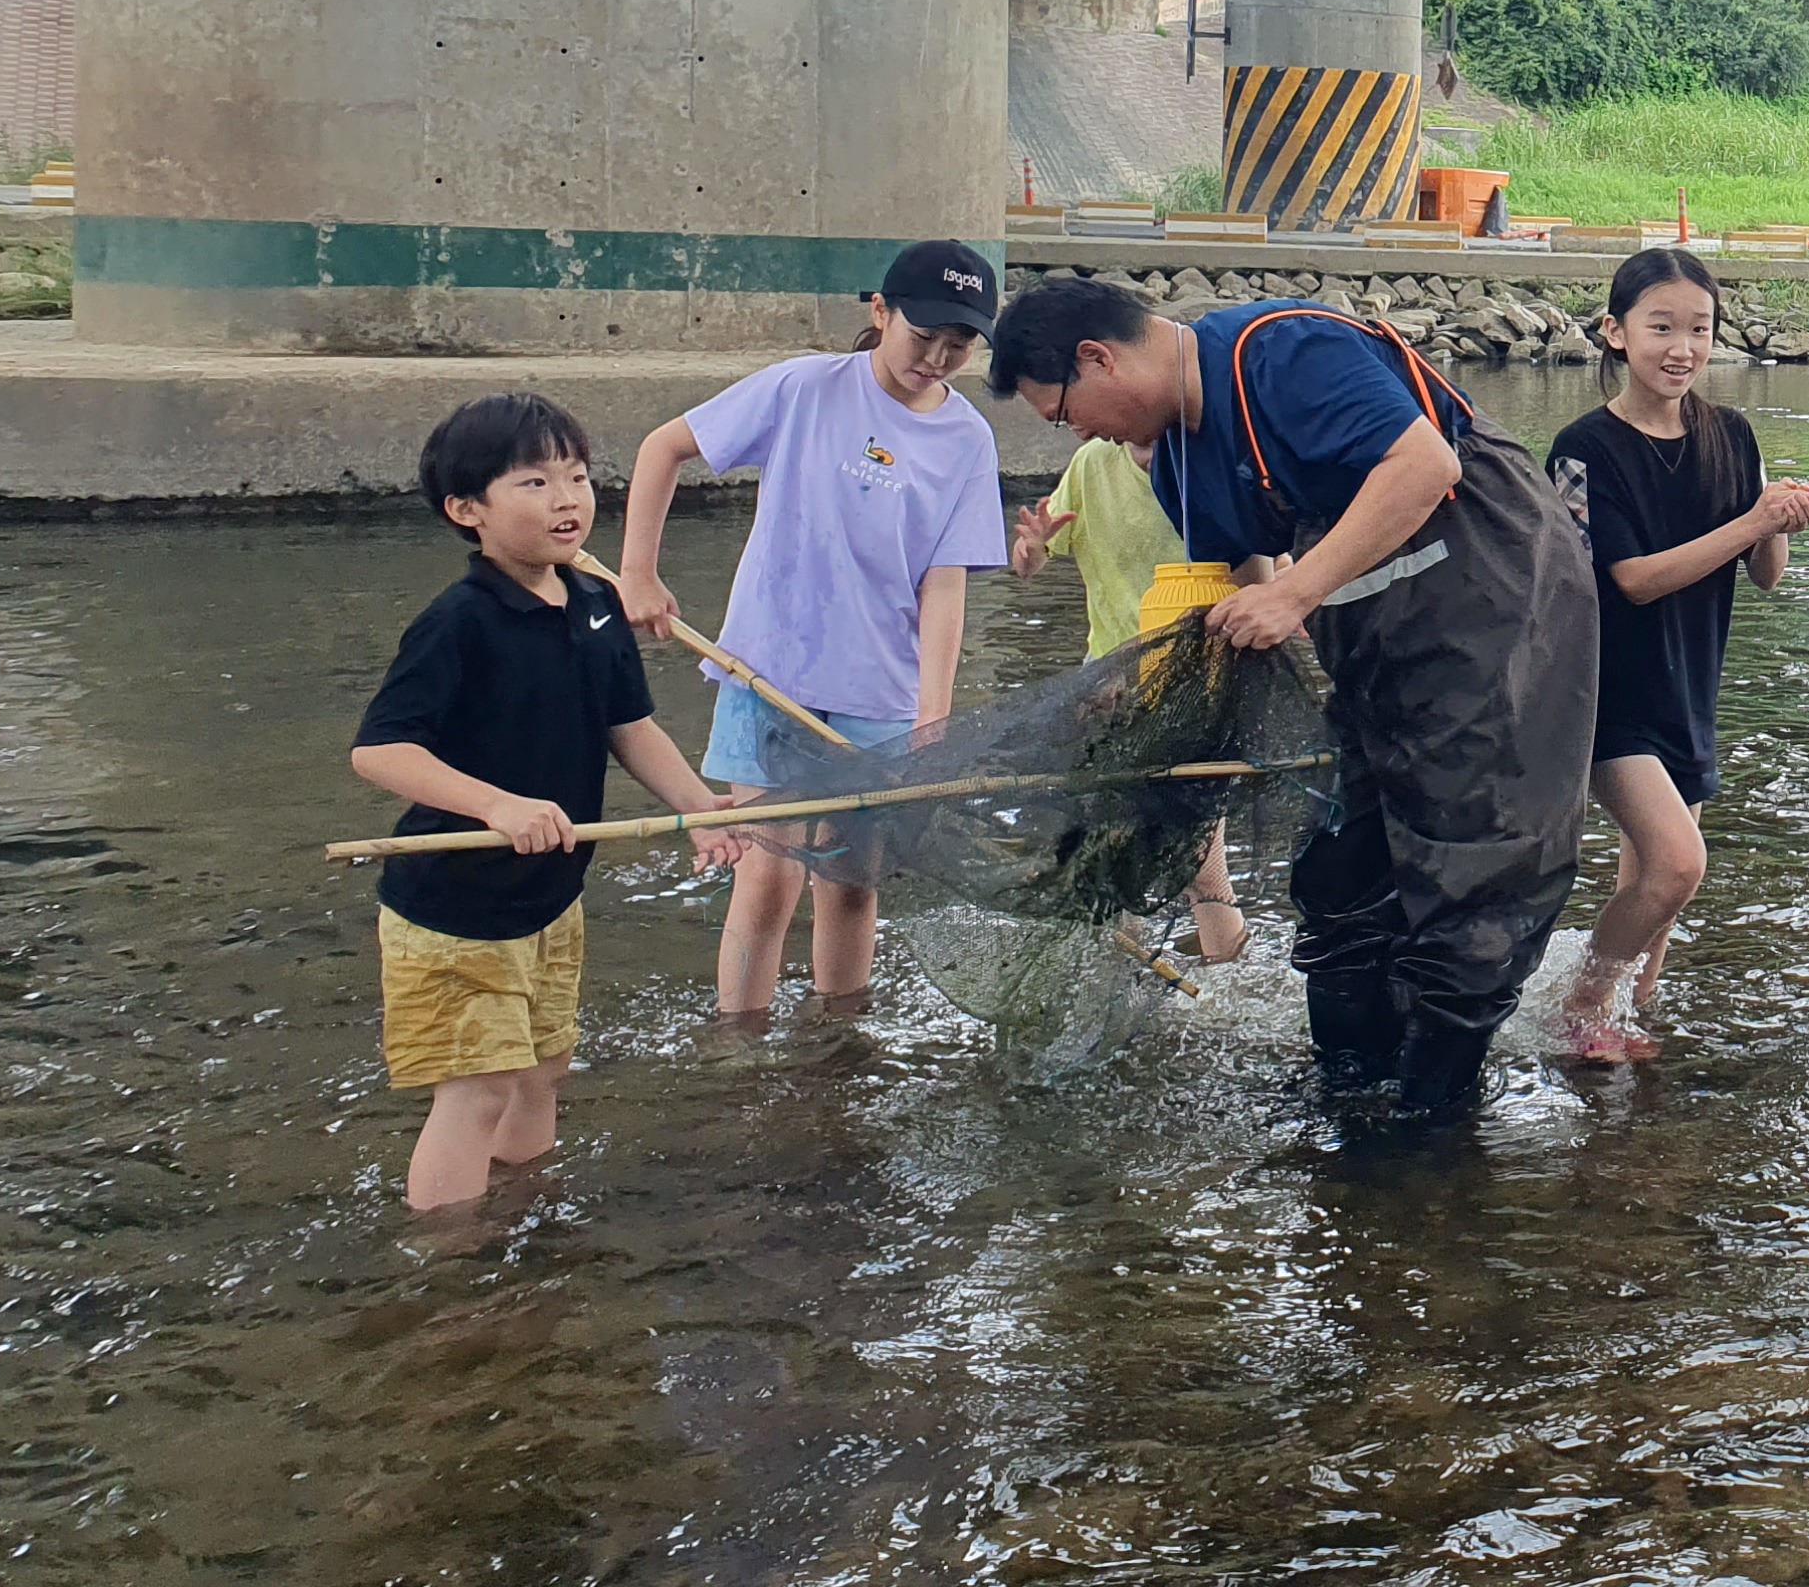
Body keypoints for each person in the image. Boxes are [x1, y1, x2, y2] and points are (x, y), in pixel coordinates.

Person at [984, 271, 1598, 1129]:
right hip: (1368, 624)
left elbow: (1424, 464)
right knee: (1342, 868)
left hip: (1495, 594)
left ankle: (1430, 1123)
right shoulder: (1177, 465)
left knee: (1470, 860)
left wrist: (1296, 591)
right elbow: (1238, 591)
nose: (1073, 433)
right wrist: (1141, 689)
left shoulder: (1281, 351)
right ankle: (1349, 1089)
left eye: (1063, 412)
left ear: (1099, 360)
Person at [351, 394, 739, 1211]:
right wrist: (496, 805)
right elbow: (380, 750)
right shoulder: (458, 623)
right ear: (467, 511)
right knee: (478, 1090)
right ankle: (451, 1270)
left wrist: (700, 808)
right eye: (534, 482)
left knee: (540, 1071)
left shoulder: (595, 601)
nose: (568, 499)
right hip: (454, 909)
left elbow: (629, 728)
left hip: (550, 898)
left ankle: (523, 1215)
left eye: (577, 476)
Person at [615, 243, 1010, 1019]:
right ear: (880, 312)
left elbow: (944, 588)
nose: (935, 358)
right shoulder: (803, 387)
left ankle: (839, 1039)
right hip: (772, 669)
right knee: (765, 875)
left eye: (957, 346)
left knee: (852, 879)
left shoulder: (968, 441)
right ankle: (741, 1038)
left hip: (881, 690)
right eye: (921, 335)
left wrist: (932, 717)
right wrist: (639, 573)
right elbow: (664, 447)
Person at [1544, 249, 1809, 1064]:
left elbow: (1765, 577)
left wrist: (1779, 520)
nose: (1681, 348)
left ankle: (1627, 1020)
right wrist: (1750, 523)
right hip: (1602, 693)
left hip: (1688, 685)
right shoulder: (1582, 448)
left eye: (1698, 329)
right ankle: (1581, 1007)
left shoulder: (1731, 434)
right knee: (1677, 864)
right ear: (1615, 332)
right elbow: (1630, 579)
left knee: (1653, 888)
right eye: (1660, 326)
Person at [1008, 431, 1249, 963]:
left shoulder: (1207, 456)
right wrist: (1031, 548)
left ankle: (1228, 981)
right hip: (1106, 691)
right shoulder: (1093, 463)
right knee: (1113, 843)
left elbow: (1257, 571)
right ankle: (1126, 974)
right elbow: (1031, 563)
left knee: (1201, 855)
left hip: (1193, 690)